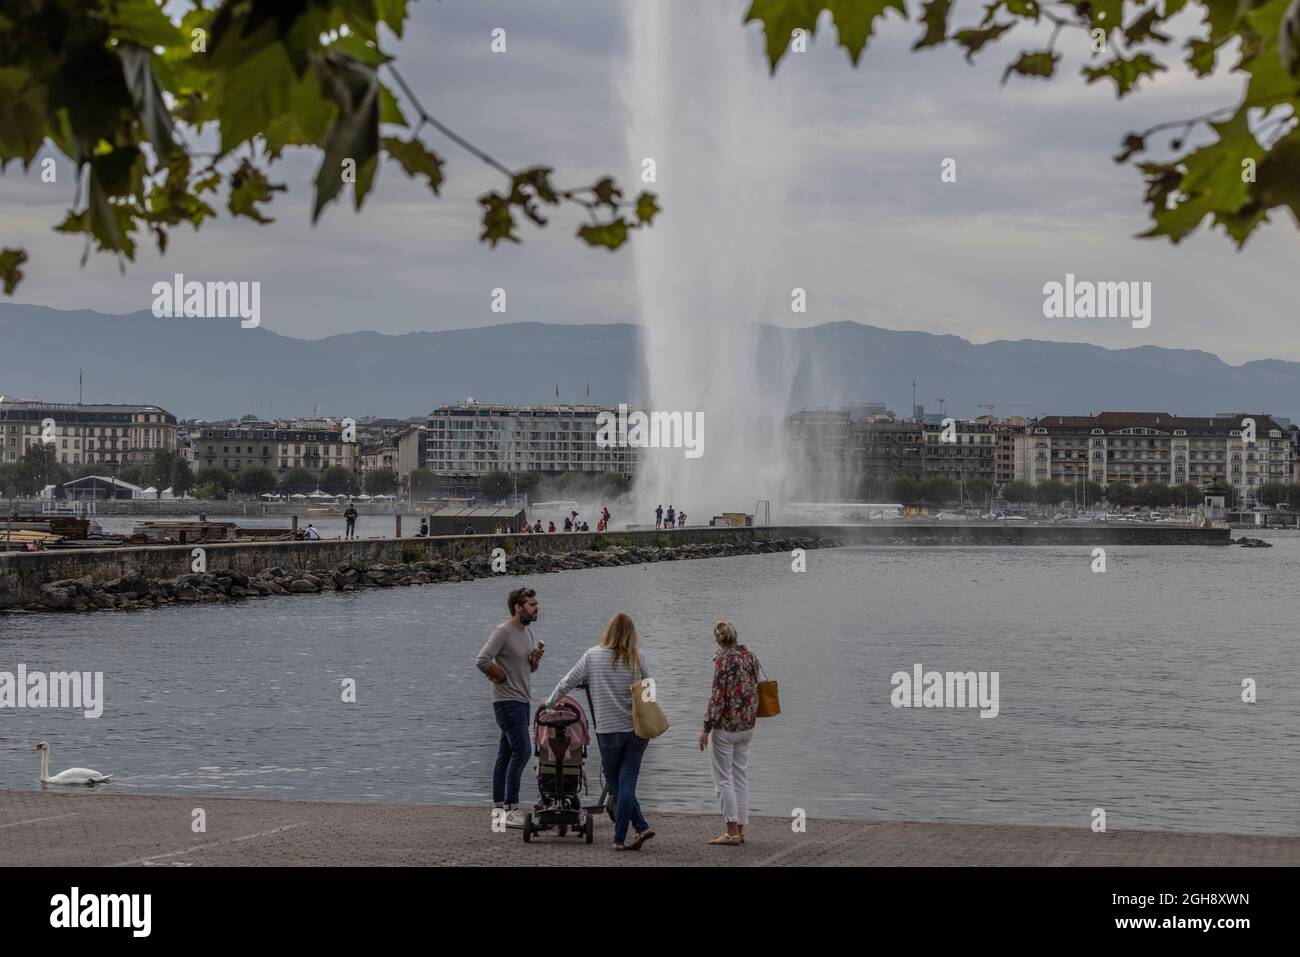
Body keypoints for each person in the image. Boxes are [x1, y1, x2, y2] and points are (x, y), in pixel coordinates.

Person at [546, 613, 656, 851]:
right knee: (627, 782)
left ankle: (622, 837)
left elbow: (567, 681)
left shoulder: (593, 655)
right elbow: (650, 689)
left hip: (608, 730)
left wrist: (550, 703)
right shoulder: (638, 657)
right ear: (631, 633)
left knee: (616, 783)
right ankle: (639, 827)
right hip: (638, 730)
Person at [476, 587, 545, 828]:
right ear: (518, 607)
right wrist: (500, 678)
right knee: (523, 751)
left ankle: (498, 812)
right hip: (507, 702)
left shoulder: (527, 633)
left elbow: (527, 670)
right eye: (532, 605)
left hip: (523, 701)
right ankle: (511, 808)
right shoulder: (503, 631)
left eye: (536, 604)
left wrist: (534, 661)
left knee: (505, 755)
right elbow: (482, 660)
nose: (537, 608)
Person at [698, 621, 761, 846]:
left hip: (725, 728)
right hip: (747, 725)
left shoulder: (722, 660)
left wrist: (706, 728)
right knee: (740, 777)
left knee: (723, 780)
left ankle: (731, 832)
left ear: (718, 640)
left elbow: (717, 697)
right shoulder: (750, 655)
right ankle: (741, 830)